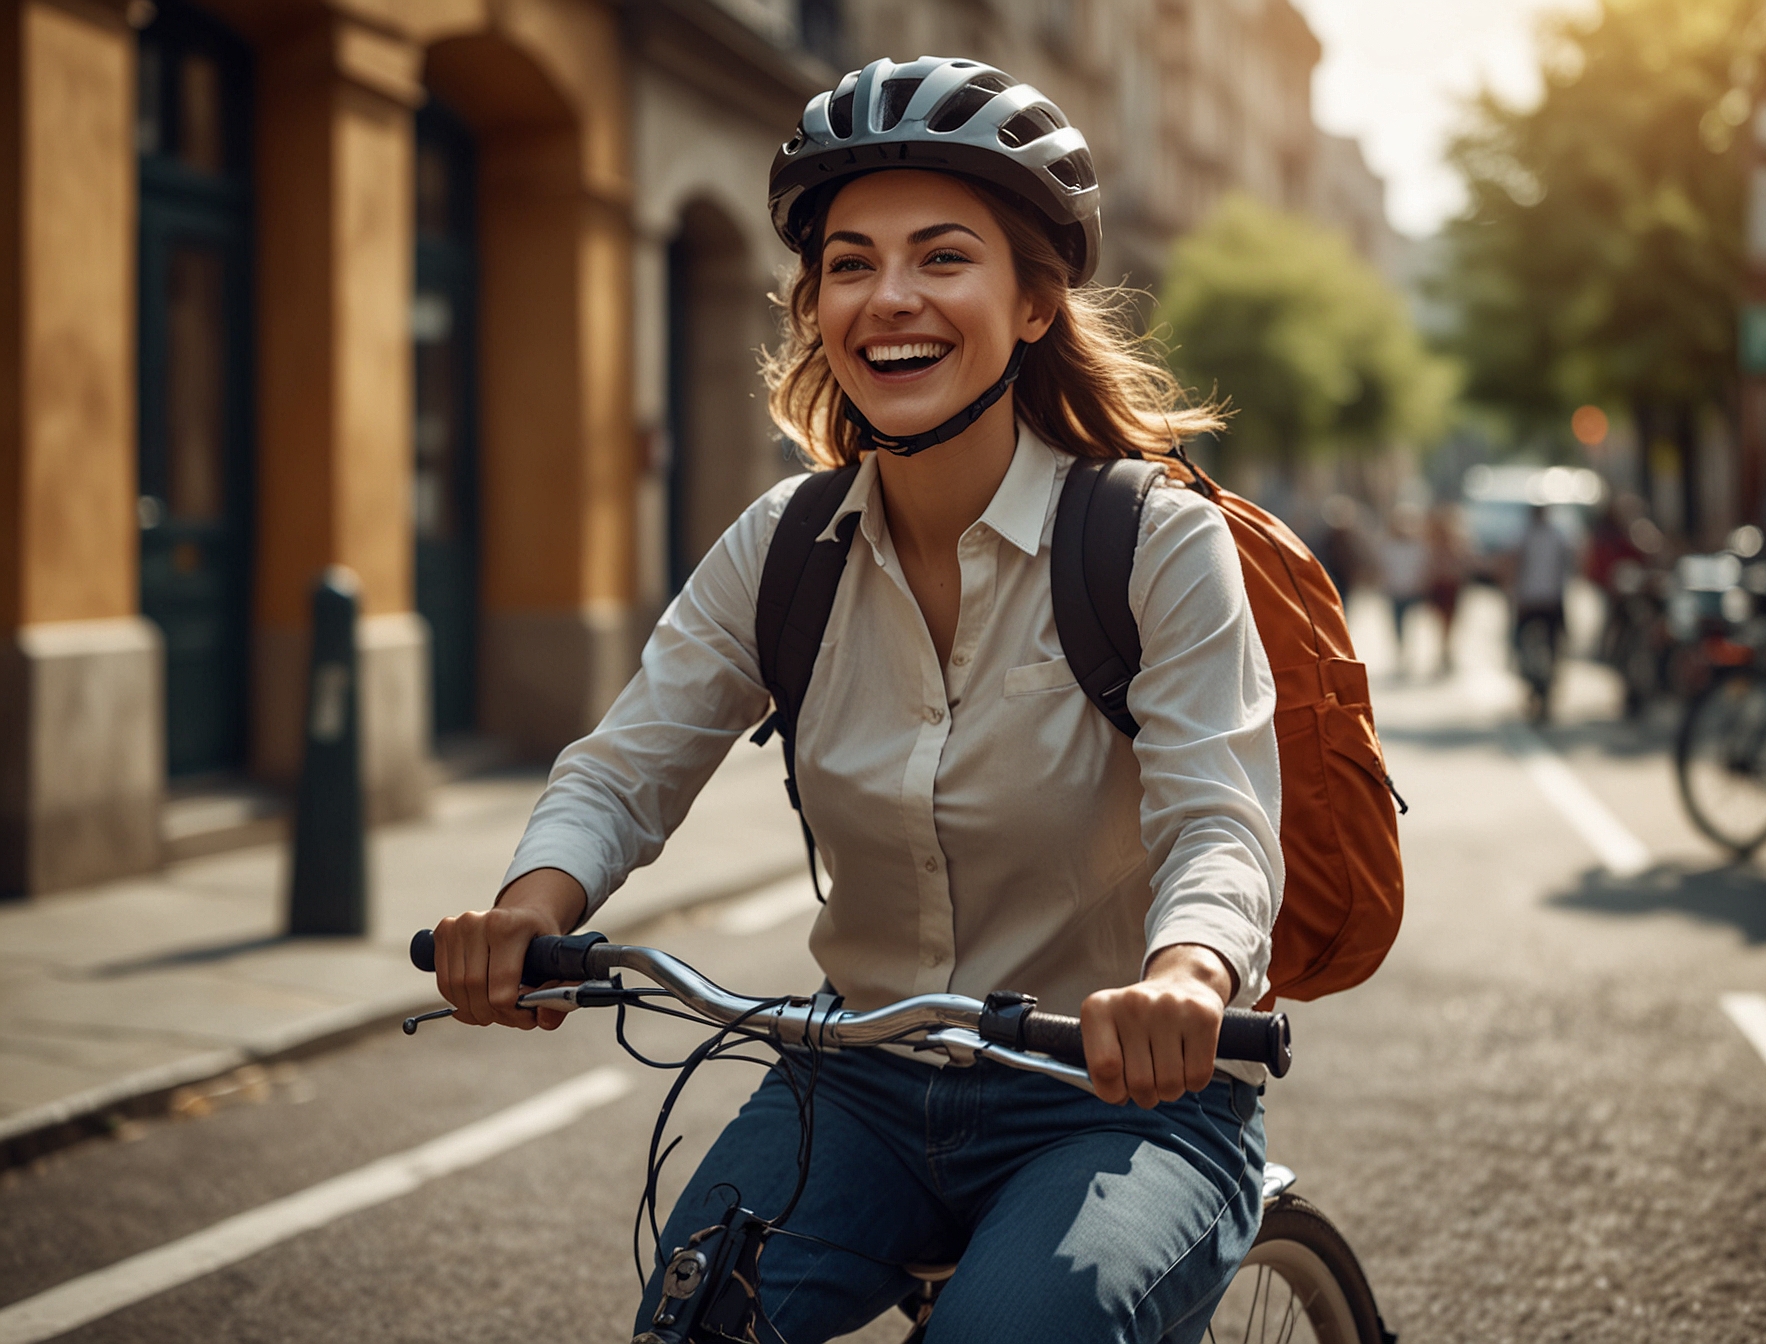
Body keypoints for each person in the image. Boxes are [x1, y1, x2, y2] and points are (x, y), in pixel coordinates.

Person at [431, 56, 1282, 1344]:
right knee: (698, 1317)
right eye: (848, 263)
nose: (890, 299)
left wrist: (1186, 975)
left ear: (1034, 302)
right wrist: (528, 908)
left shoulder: (1151, 542)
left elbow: (1220, 818)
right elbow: (625, 766)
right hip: (862, 1082)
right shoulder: (783, 547)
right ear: (812, 305)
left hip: (1120, 1099)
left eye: (944, 258)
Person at [1511, 503, 1577, 721]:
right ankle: (1534, 684)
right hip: (1534, 598)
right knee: (1522, 644)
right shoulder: (1527, 536)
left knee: (1553, 645)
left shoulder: (1553, 536)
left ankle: (1548, 686)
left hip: (1547, 599)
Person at [1379, 503, 1428, 675]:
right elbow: (1384, 568)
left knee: (1411, 624)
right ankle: (1400, 654)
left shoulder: (1418, 547)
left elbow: (1422, 568)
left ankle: (1409, 655)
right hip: (1394, 591)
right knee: (1397, 624)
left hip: (1411, 591)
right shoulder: (1389, 546)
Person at [1424, 504, 1468, 675]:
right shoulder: (1432, 545)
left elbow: (1461, 565)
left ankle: (1446, 650)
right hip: (1439, 587)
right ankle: (1443, 650)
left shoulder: (1455, 544)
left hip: (1451, 587)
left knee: (1449, 622)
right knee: (1440, 622)